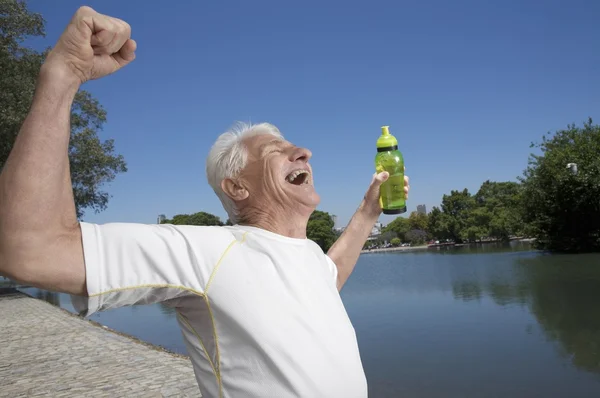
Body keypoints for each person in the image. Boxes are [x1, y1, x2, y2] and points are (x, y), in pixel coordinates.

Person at [0, 6, 409, 398]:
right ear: (237, 189)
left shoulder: (307, 255)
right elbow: (31, 250)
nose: (303, 151)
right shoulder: (206, 252)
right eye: (276, 151)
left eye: (295, 147)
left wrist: (370, 210)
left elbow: (327, 278)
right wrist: (63, 76)